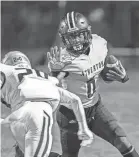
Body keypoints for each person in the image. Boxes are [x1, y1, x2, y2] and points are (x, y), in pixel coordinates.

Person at [47, 11, 139, 157]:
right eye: (71, 37)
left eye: (79, 34)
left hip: (96, 108)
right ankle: (32, 153)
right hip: (71, 114)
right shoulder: (62, 59)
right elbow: (52, 88)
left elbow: (104, 71)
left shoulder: (99, 43)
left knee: (122, 141)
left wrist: (122, 76)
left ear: (87, 32)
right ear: (64, 39)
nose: (76, 40)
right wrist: (53, 73)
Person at [1, 51, 93, 157]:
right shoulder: (46, 79)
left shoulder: (8, 72)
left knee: (23, 152)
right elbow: (75, 100)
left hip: (17, 120)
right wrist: (83, 128)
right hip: (38, 114)